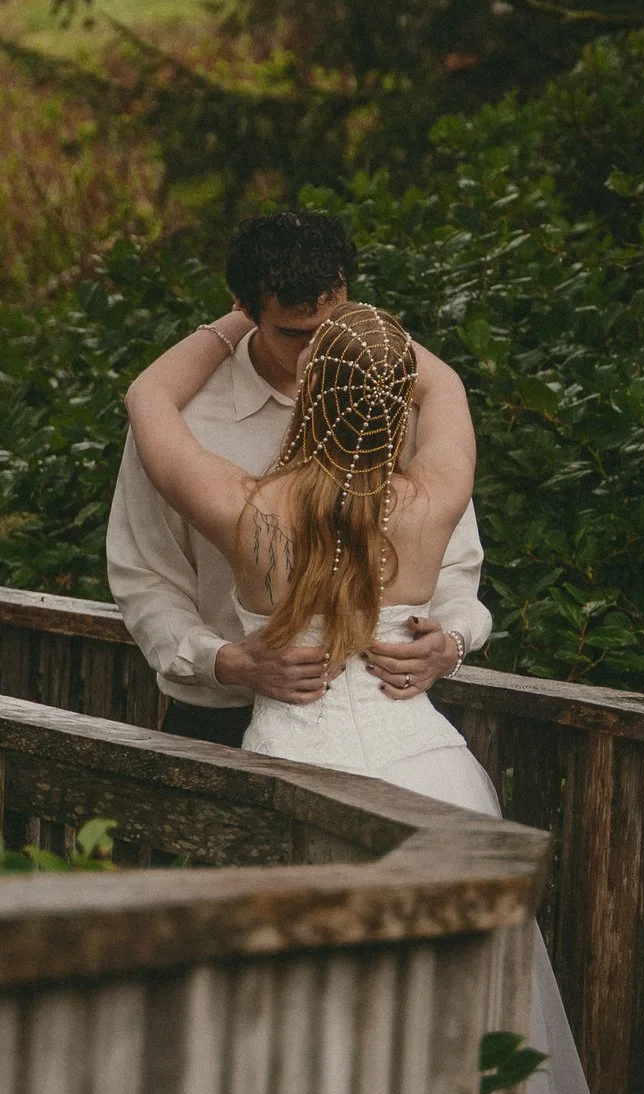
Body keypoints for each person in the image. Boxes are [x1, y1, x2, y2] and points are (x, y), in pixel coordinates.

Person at [123, 296, 637, 1094]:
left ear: (310, 389)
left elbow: (147, 395)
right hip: (435, 776)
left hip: (306, 785)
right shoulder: (432, 495)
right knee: (480, 1039)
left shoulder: (247, 507)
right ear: (396, 398)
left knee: (318, 1048)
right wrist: (376, 327)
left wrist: (236, 324)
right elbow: (443, 388)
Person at [106, 209, 491, 719]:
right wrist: (224, 661)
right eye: (295, 333)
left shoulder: (398, 404)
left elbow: (457, 563)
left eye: (332, 324)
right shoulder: (188, 420)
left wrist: (455, 640)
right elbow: (145, 575)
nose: (317, 348)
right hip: (223, 713)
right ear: (246, 308)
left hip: (395, 706)